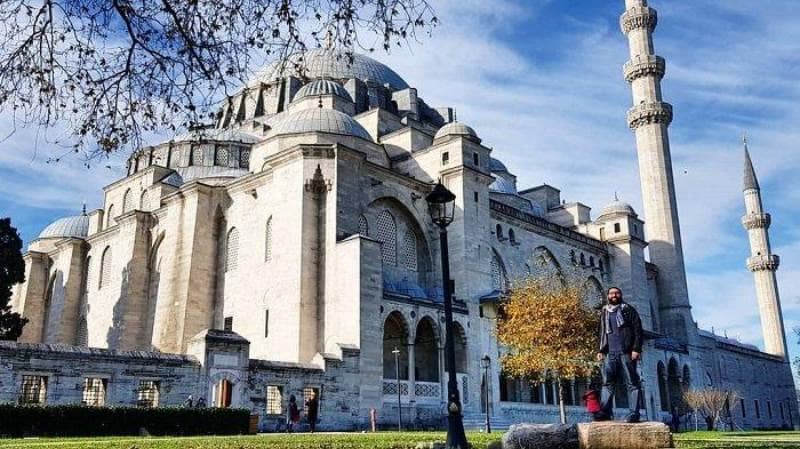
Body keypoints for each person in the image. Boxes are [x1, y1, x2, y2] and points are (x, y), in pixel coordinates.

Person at [595, 286, 644, 423]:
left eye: (616, 293)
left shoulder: (628, 309)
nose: (614, 295)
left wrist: (636, 349)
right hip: (610, 353)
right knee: (607, 383)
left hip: (626, 352)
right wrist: (600, 350)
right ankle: (605, 412)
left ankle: (634, 413)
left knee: (632, 383)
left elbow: (638, 330)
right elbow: (601, 332)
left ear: (620, 295)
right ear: (608, 296)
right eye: (611, 293)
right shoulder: (604, 312)